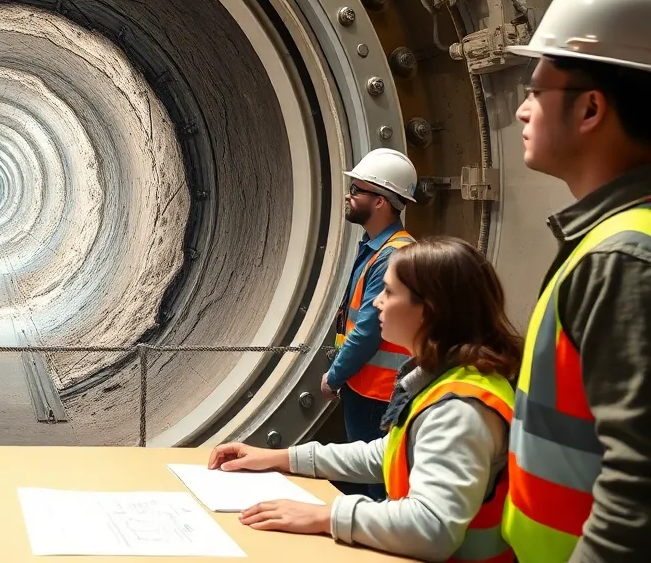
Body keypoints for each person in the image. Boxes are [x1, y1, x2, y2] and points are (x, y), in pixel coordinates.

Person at [210, 236, 522, 563]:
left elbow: (433, 529)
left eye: (388, 292)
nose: (376, 303)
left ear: (428, 310)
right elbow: (383, 455)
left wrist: (325, 516)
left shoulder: (460, 410)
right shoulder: (450, 383)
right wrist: (279, 458)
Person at [499, 0, 651, 563]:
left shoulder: (623, 259)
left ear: (590, 109)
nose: (522, 111)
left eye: (536, 91)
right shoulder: (612, 241)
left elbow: (637, 490)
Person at [322, 147, 418, 499]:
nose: (349, 196)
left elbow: (368, 329)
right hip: (368, 388)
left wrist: (335, 376)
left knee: (377, 486)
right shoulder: (379, 248)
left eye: (357, 189)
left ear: (380, 201)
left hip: (378, 393)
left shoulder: (392, 255)